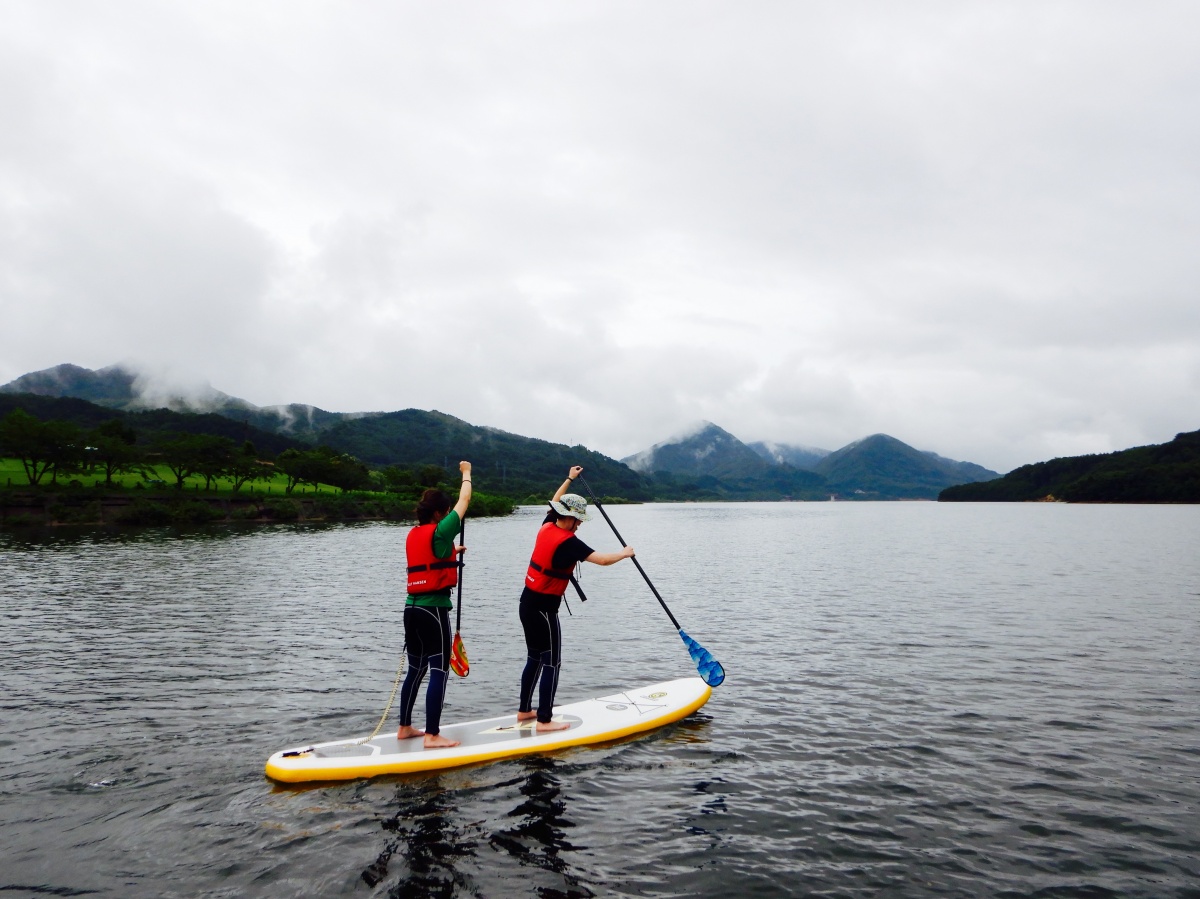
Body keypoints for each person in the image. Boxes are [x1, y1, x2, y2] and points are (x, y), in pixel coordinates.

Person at [518, 465, 635, 732]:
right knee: (552, 661)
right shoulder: (568, 542)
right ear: (568, 518)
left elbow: (556, 500)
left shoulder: (548, 525)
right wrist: (624, 553)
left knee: (534, 658)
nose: (580, 524)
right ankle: (545, 721)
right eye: (579, 519)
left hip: (526, 603)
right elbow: (603, 560)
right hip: (544, 610)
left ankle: (524, 711)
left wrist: (569, 478)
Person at [397, 461, 472, 749]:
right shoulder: (442, 529)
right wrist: (466, 472)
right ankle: (432, 735)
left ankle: (404, 727)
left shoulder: (413, 533)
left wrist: (454, 551)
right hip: (434, 611)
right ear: (440, 513)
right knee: (439, 668)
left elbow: (432, 555)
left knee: (415, 669)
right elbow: (464, 500)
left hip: (411, 609)